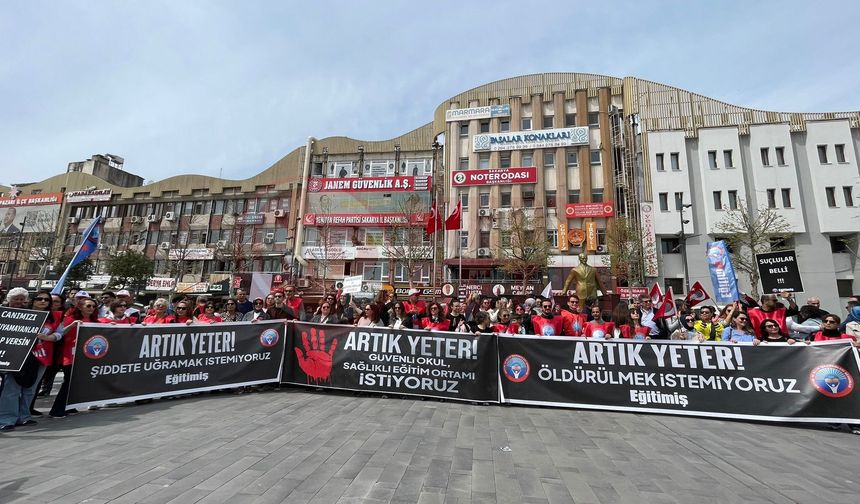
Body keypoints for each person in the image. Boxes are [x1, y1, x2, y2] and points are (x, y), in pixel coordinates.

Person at [0, 289, 59, 430]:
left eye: (46, 300)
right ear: (32, 300)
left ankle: (24, 417)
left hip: (41, 357)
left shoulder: (54, 317)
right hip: (17, 355)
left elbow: (60, 332)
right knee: (11, 388)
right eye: (40, 299)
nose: (43, 301)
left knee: (30, 389)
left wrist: (51, 337)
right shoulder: (19, 313)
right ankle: (6, 419)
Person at [49, 296, 100, 417]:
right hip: (70, 356)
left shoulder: (95, 322)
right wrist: (72, 325)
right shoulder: (70, 319)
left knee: (76, 383)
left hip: (87, 357)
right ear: (80, 307)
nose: (91, 308)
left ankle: (69, 406)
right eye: (88, 306)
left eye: (93, 306)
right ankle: (57, 410)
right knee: (68, 382)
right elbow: (60, 334)